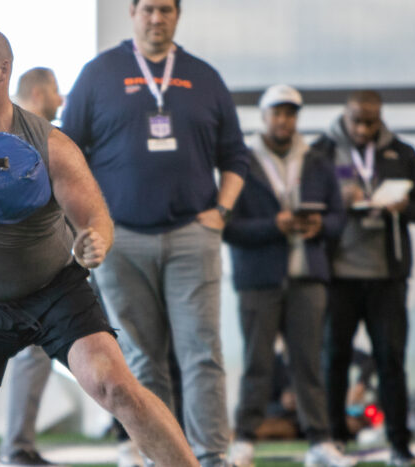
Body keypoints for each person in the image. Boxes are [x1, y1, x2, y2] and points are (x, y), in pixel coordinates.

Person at [0, 27, 199, 467]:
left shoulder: (49, 144)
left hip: (53, 291)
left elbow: (94, 218)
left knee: (116, 387)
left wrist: (94, 241)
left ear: (4, 72)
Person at [60, 1, 250, 464]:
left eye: (165, 9)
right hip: (119, 240)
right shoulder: (99, 74)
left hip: (192, 236)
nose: (156, 18)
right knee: (141, 362)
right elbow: (65, 155)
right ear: (133, 12)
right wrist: (85, 225)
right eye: (148, 8)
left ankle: (211, 457)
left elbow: (236, 157)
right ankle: (161, 457)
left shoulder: (204, 77)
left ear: (177, 15)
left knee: (202, 354)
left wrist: (220, 212)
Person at [223, 85, 352, 467]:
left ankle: (320, 442)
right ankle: (244, 440)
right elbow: (227, 227)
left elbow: (339, 217)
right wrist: (274, 225)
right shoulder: (242, 164)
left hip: (307, 276)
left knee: (309, 364)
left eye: (290, 113)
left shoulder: (316, 160)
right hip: (258, 279)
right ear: (263, 117)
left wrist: (320, 226)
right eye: (277, 113)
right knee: (257, 364)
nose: (284, 120)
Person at [313, 90, 415, 465]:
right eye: (357, 121)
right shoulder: (321, 151)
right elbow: (304, 203)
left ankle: (399, 445)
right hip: (338, 276)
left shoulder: (402, 152)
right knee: (334, 359)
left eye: (371, 121)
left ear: (380, 118)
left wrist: (403, 206)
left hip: (387, 276)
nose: (364, 129)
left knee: (391, 360)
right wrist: (337, 199)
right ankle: (333, 441)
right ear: (344, 116)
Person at [0, 66, 68, 467]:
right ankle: (15, 449)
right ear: (39, 93)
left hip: (11, 264)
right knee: (31, 351)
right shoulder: (36, 138)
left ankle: (17, 446)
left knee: (32, 352)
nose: (62, 99)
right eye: (57, 91)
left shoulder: (7, 130)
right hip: (26, 265)